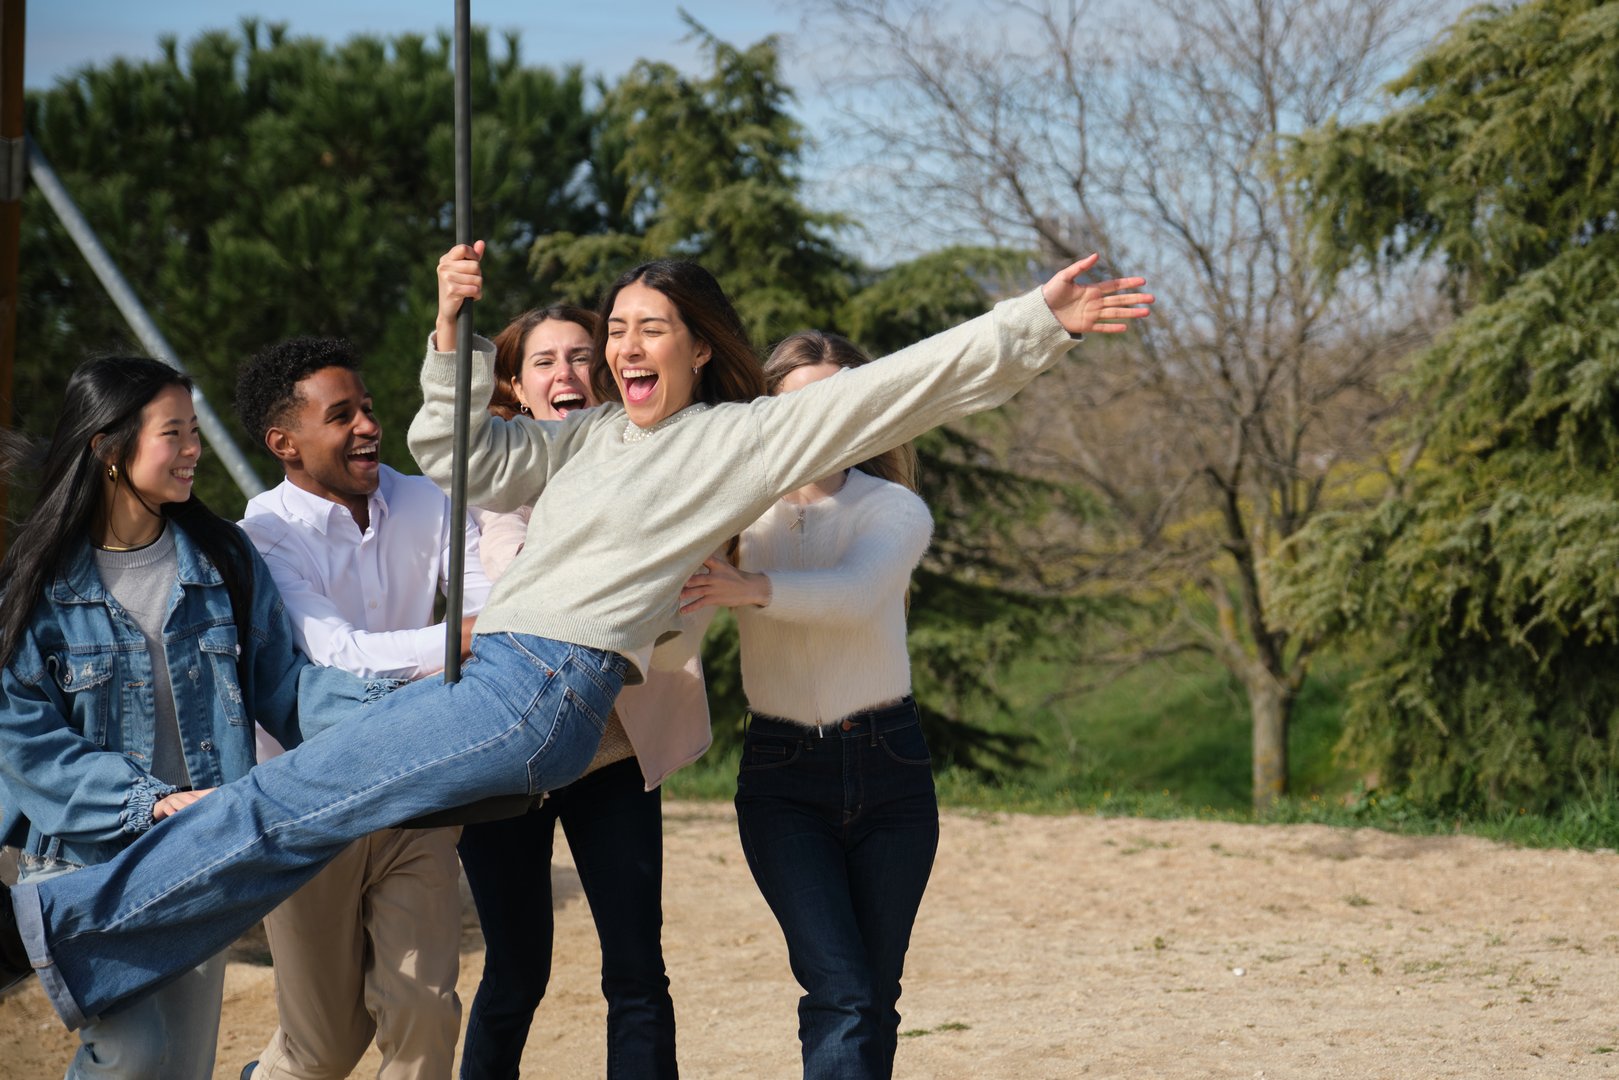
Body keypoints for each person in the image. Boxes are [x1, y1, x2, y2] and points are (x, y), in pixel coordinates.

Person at [0, 244, 1152, 1030]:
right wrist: (452, 325)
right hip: (513, 681)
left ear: (700, 348)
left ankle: (51, 940)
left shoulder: (734, 439)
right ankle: (93, 950)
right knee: (297, 811)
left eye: (654, 330)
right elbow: (464, 454)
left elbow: (893, 389)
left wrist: (1030, 323)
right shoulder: (595, 439)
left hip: (538, 687)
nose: (626, 346)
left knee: (282, 801)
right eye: (616, 330)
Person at [0, 358, 380, 1073]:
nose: (193, 450)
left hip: (202, 854)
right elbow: (25, 744)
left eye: (195, 432)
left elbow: (289, 690)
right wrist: (150, 801)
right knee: (133, 1053)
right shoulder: (37, 586)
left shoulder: (223, 560)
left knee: (182, 1066)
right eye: (173, 433)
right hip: (84, 868)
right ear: (108, 450)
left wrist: (394, 712)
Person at [456, 304, 714, 1080]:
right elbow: (516, 569)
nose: (564, 373)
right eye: (543, 362)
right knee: (513, 972)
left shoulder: (655, 455)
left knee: (637, 967)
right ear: (516, 384)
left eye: (579, 357)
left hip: (614, 748)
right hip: (509, 751)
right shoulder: (494, 484)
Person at [676, 330, 936, 1079]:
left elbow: (854, 596)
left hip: (892, 770)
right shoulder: (733, 516)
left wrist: (749, 588)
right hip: (782, 777)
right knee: (842, 990)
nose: (821, 419)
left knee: (872, 994)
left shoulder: (895, 509)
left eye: (838, 402)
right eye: (800, 404)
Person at [233, 337, 492, 1080]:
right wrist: (459, 640)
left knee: (424, 1014)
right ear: (284, 442)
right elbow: (334, 658)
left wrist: (469, 633)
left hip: (416, 792)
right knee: (322, 1049)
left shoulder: (428, 499)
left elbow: (490, 608)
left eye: (369, 409)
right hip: (308, 805)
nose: (368, 427)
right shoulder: (263, 538)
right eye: (341, 415)